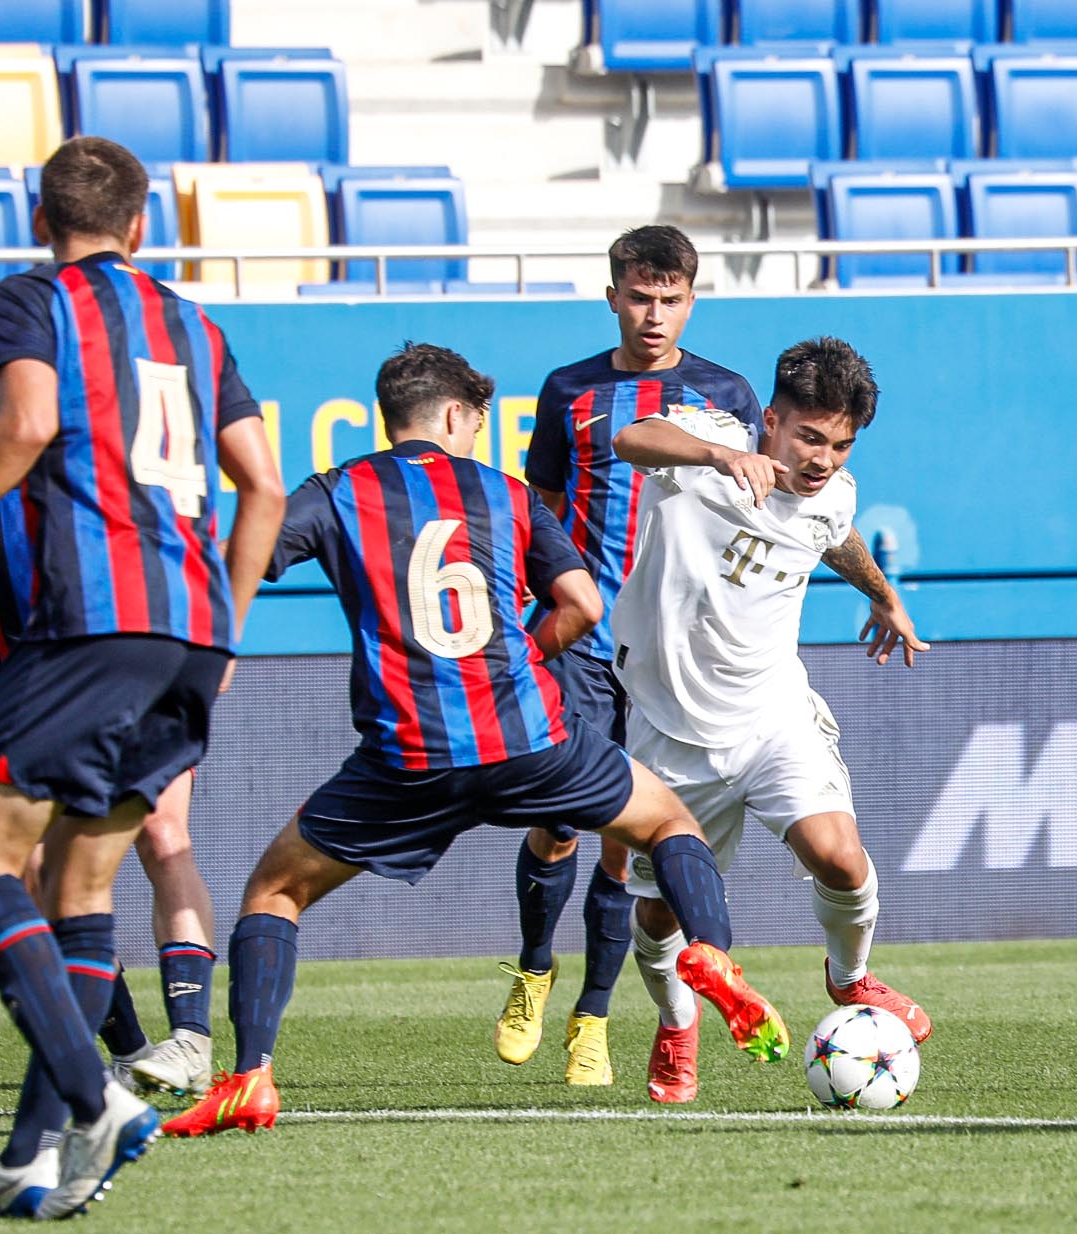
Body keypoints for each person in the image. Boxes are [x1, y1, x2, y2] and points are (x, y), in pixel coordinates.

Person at [159, 343, 786, 1139]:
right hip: (529, 737)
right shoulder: (506, 493)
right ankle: (710, 952)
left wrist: (208, 648)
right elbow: (584, 604)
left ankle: (249, 1079)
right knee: (667, 825)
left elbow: (248, 551)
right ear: (457, 416)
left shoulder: (340, 489)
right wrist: (524, 655)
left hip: (406, 757)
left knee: (274, 894)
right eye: (478, 420)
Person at [0, 135, 287, 1218]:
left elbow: (25, 422)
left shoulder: (27, 300)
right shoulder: (194, 323)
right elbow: (265, 488)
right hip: (192, 632)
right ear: (142, 227)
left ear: (41, 218)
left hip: (91, 625)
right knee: (80, 889)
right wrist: (229, 625)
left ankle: (91, 1099)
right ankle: (30, 1155)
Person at [609, 336, 932, 1105]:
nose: (822, 457)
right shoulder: (705, 440)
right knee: (658, 917)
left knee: (841, 859)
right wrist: (717, 459)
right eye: (810, 437)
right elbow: (627, 438)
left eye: (840, 443)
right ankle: (677, 1023)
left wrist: (880, 594)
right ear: (772, 420)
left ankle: (848, 977)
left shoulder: (833, 491)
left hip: (771, 715)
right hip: (668, 726)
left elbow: (832, 532)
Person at [498, 224, 763, 1086]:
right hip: (579, 637)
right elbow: (538, 506)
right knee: (557, 821)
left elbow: (755, 512)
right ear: (611, 295)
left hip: (670, 650)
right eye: (639, 297)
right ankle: (535, 970)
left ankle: (593, 1016)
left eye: (670, 298)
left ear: (692, 298)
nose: (654, 314)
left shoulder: (725, 393)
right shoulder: (567, 391)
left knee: (625, 841)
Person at [0, 418, 222, 1107]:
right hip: (35, 698)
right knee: (39, 875)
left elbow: (186, 549)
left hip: (140, 675)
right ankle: (132, 1055)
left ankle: (192, 1041)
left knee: (164, 836)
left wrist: (213, 638)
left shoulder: (108, 454)